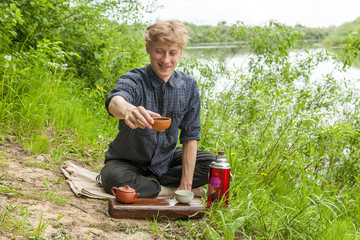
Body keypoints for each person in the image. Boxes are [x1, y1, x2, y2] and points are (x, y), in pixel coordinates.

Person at [98, 19, 215, 198]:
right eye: (160, 51)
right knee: (114, 177)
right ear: (148, 49)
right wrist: (129, 110)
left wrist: (186, 183)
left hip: (165, 160)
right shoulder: (134, 79)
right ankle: (164, 190)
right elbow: (115, 102)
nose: (166, 60)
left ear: (181, 52)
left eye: (172, 53)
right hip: (127, 161)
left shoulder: (189, 85)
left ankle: (152, 185)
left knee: (213, 164)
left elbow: (190, 136)